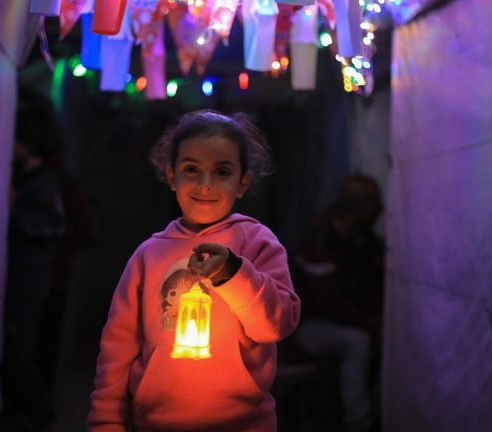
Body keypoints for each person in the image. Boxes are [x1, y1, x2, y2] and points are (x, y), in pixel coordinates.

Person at [86, 110, 301, 431]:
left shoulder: (256, 242)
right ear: (172, 176)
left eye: (222, 171)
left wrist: (232, 272)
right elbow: (118, 348)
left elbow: (276, 325)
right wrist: (106, 421)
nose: (205, 184)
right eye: (191, 169)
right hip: (155, 423)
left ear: (242, 182)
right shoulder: (149, 254)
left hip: (244, 424)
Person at [291, 174, 385, 432]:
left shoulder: (367, 242)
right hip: (308, 326)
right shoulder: (319, 238)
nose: (380, 209)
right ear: (358, 205)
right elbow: (328, 300)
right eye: (373, 203)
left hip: (348, 323)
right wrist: (369, 323)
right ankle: (359, 423)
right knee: (359, 342)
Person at [0, 108, 66, 432]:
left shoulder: (45, 182)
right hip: (16, 276)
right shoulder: (23, 176)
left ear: (28, 142)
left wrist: (14, 213)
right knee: (10, 349)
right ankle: (17, 414)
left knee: (18, 351)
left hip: (29, 280)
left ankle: (44, 417)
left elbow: (55, 226)